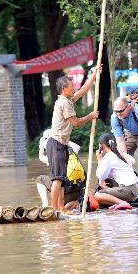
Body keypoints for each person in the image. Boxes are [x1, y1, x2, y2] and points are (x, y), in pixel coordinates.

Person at [47, 67, 101, 211]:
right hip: (56, 143)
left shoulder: (68, 100)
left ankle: (60, 207)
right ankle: (53, 209)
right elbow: (76, 123)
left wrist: (94, 75)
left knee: (62, 179)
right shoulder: (64, 103)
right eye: (71, 87)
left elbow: (83, 90)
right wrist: (91, 116)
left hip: (62, 144)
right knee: (57, 178)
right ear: (64, 89)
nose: (74, 88)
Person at [37, 129, 85, 211]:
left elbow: (41, 158)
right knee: (59, 180)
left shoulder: (54, 152)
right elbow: (78, 147)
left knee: (41, 179)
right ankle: (73, 203)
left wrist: (41, 147)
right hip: (79, 191)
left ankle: (45, 205)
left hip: (66, 192)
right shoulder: (71, 148)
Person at [94, 132, 138, 210]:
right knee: (102, 200)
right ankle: (120, 202)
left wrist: (99, 158)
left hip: (128, 190)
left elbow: (100, 176)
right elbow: (132, 160)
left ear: (102, 146)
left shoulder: (109, 157)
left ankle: (122, 203)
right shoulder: (119, 153)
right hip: (135, 190)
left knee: (97, 195)